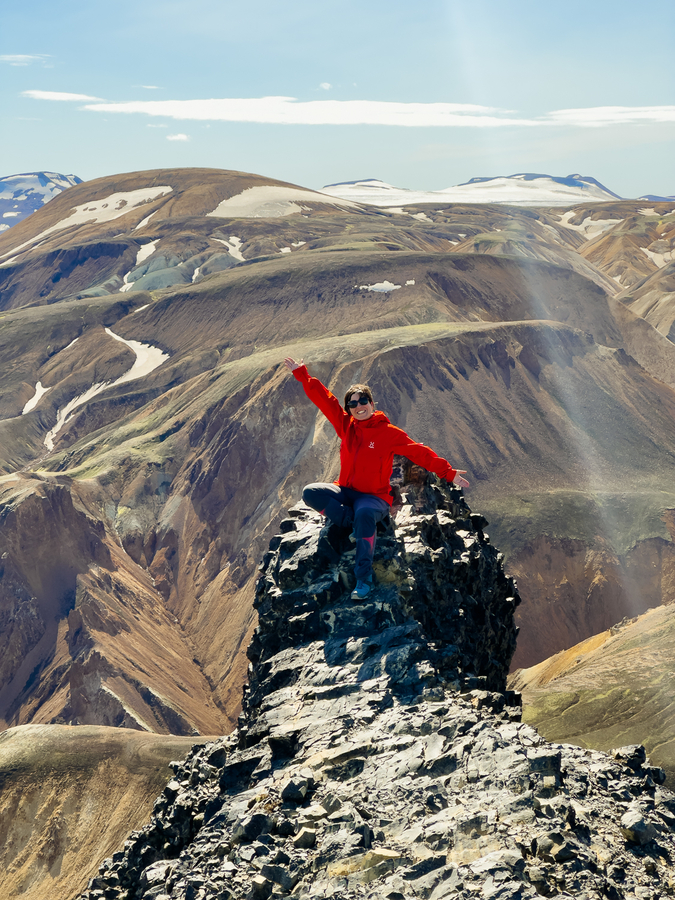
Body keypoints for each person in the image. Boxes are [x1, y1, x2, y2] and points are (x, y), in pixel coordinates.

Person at [284, 357, 469, 601]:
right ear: (349, 408)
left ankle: (363, 579)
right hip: (346, 491)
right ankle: (352, 523)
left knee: (364, 514)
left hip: (374, 498)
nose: (359, 406)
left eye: (363, 401)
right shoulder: (346, 426)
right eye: (353, 403)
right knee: (311, 492)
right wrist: (302, 375)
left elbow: (418, 451)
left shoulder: (387, 433)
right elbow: (325, 400)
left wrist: (448, 472)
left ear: (372, 403)